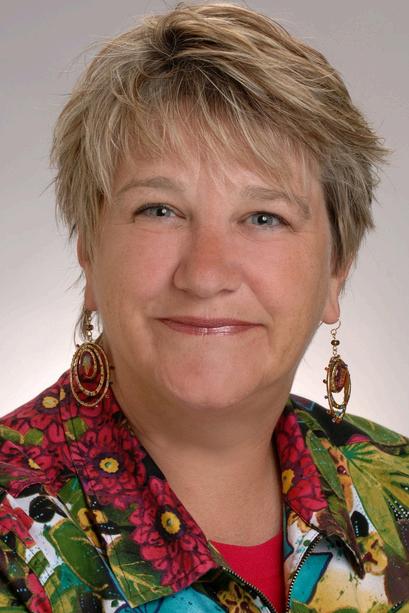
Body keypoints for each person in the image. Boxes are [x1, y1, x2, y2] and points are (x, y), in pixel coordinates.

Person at [0, 2, 408, 611]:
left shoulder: (396, 494)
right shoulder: (14, 532)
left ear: (336, 269)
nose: (206, 274)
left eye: (264, 217)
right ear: (88, 250)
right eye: (159, 210)